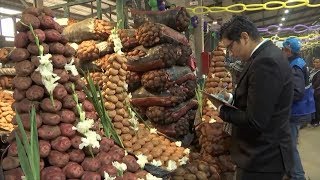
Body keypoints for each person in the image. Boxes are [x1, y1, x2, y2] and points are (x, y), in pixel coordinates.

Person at [217, 16, 294, 180]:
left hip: (263, 158)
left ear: (244, 37)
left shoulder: (266, 62)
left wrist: (222, 110)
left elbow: (256, 120)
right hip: (262, 154)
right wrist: (232, 98)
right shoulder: (263, 55)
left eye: (230, 47)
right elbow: (262, 99)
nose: (231, 54)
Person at [282, 37, 315, 180]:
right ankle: (291, 172)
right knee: (288, 144)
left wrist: (280, 96)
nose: (282, 51)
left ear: (289, 50)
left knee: (290, 146)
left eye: (284, 49)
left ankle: (298, 176)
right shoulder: (297, 62)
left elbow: (297, 92)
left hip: (295, 111)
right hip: (296, 110)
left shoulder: (295, 66)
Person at [310, 57, 320, 126]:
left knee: (317, 106)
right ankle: (314, 120)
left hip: (317, 91)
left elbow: (317, 82)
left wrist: (312, 88)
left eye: (317, 62)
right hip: (312, 91)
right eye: (314, 62)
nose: (315, 63)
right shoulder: (313, 71)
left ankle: (317, 120)